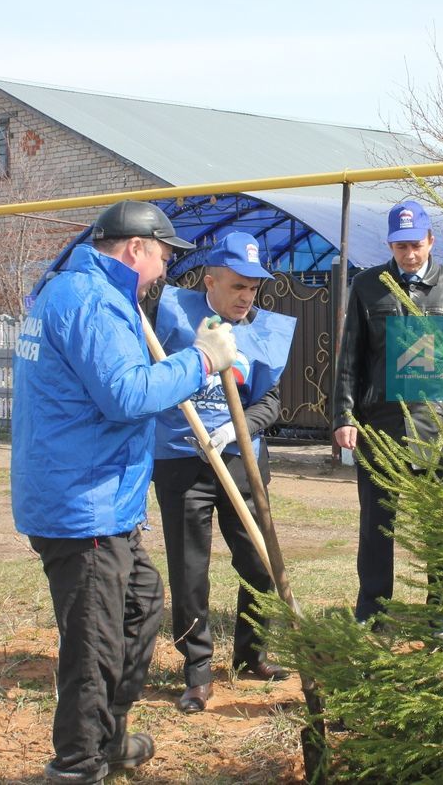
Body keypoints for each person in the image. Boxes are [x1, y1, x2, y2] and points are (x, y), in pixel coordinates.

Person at [12, 200, 236, 784]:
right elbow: (126, 395)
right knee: (95, 643)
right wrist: (203, 360)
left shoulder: (78, 291)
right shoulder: (90, 301)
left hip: (94, 495)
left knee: (140, 602)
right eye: (162, 257)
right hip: (83, 504)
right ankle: (77, 766)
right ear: (135, 249)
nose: (164, 271)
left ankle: (108, 737)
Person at [151, 231, 297, 713]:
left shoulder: (262, 332)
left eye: (253, 288)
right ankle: (196, 672)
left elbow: (269, 401)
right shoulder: (171, 316)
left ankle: (251, 657)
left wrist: (237, 431)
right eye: (237, 286)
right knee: (190, 569)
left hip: (242, 460)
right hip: (180, 458)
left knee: (257, 560)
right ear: (210, 281)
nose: (246, 297)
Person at [332, 200, 443, 624]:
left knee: (440, 526)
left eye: (415, 244)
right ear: (390, 245)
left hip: (441, 429)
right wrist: (343, 416)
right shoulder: (367, 287)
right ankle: (373, 611)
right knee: (377, 525)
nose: (409, 254)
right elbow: (350, 359)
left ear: (431, 240)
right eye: (400, 247)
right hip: (382, 426)